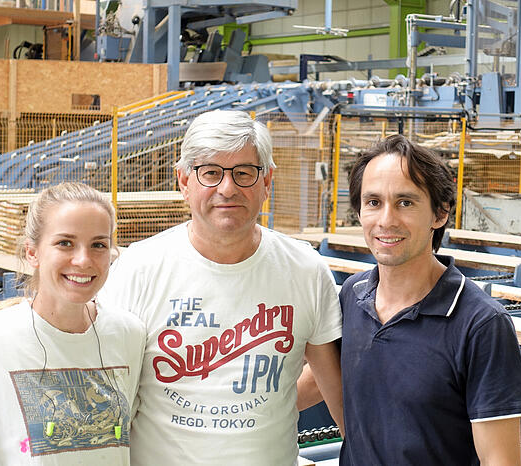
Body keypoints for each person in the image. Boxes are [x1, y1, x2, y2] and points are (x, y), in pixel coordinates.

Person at [97, 109, 344, 466]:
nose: (228, 189)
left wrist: (273, 405)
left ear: (267, 181)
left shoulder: (306, 271)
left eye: (244, 173)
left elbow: (333, 388)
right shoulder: (138, 270)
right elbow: (104, 390)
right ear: (184, 181)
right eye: (211, 173)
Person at [0, 182, 146, 466]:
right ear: (32, 252)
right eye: (65, 243)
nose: (83, 260)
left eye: (98, 245)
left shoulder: (128, 335)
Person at [338, 134, 521, 465]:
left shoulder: (481, 324)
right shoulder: (352, 295)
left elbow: (500, 460)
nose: (386, 220)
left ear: (440, 214)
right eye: (373, 202)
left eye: (405, 202)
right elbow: (326, 378)